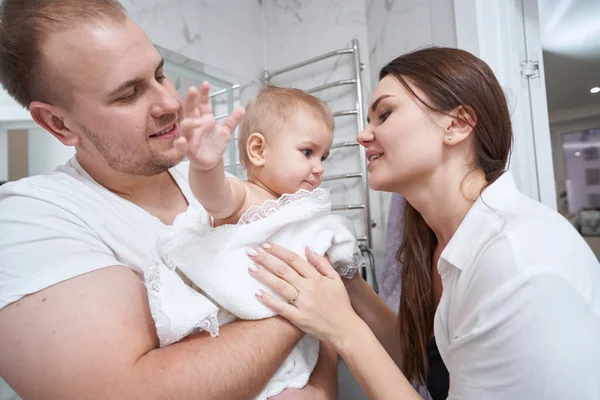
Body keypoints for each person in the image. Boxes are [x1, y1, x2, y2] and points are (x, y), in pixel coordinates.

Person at [0, 1, 337, 399]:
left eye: (160, 74)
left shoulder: (215, 183)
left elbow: (326, 317)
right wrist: (305, 303)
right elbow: (130, 392)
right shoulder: (30, 221)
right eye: (128, 94)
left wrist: (319, 387)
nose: (171, 103)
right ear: (58, 123)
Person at [246, 47, 600, 400]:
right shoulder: (440, 244)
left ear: (457, 124)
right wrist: (349, 282)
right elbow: (421, 364)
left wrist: (344, 330)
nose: (362, 135)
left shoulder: (516, 260)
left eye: (383, 114)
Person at [143, 85, 362, 399]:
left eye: (323, 156)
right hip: (247, 328)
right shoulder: (247, 195)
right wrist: (207, 167)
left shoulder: (298, 210)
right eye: (307, 152)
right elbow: (216, 199)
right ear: (258, 150)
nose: (319, 167)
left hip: (296, 340)